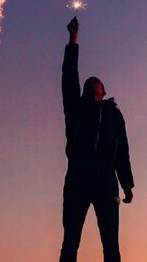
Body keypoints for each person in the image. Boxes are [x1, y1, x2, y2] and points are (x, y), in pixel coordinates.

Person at [59, 16, 134, 262]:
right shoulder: (76, 109)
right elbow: (69, 77)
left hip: (105, 180)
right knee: (70, 241)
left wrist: (127, 184)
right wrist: (73, 40)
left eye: (97, 87)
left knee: (111, 245)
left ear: (103, 92)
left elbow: (122, 150)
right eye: (89, 87)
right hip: (78, 176)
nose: (93, 88)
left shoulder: (113, 114)